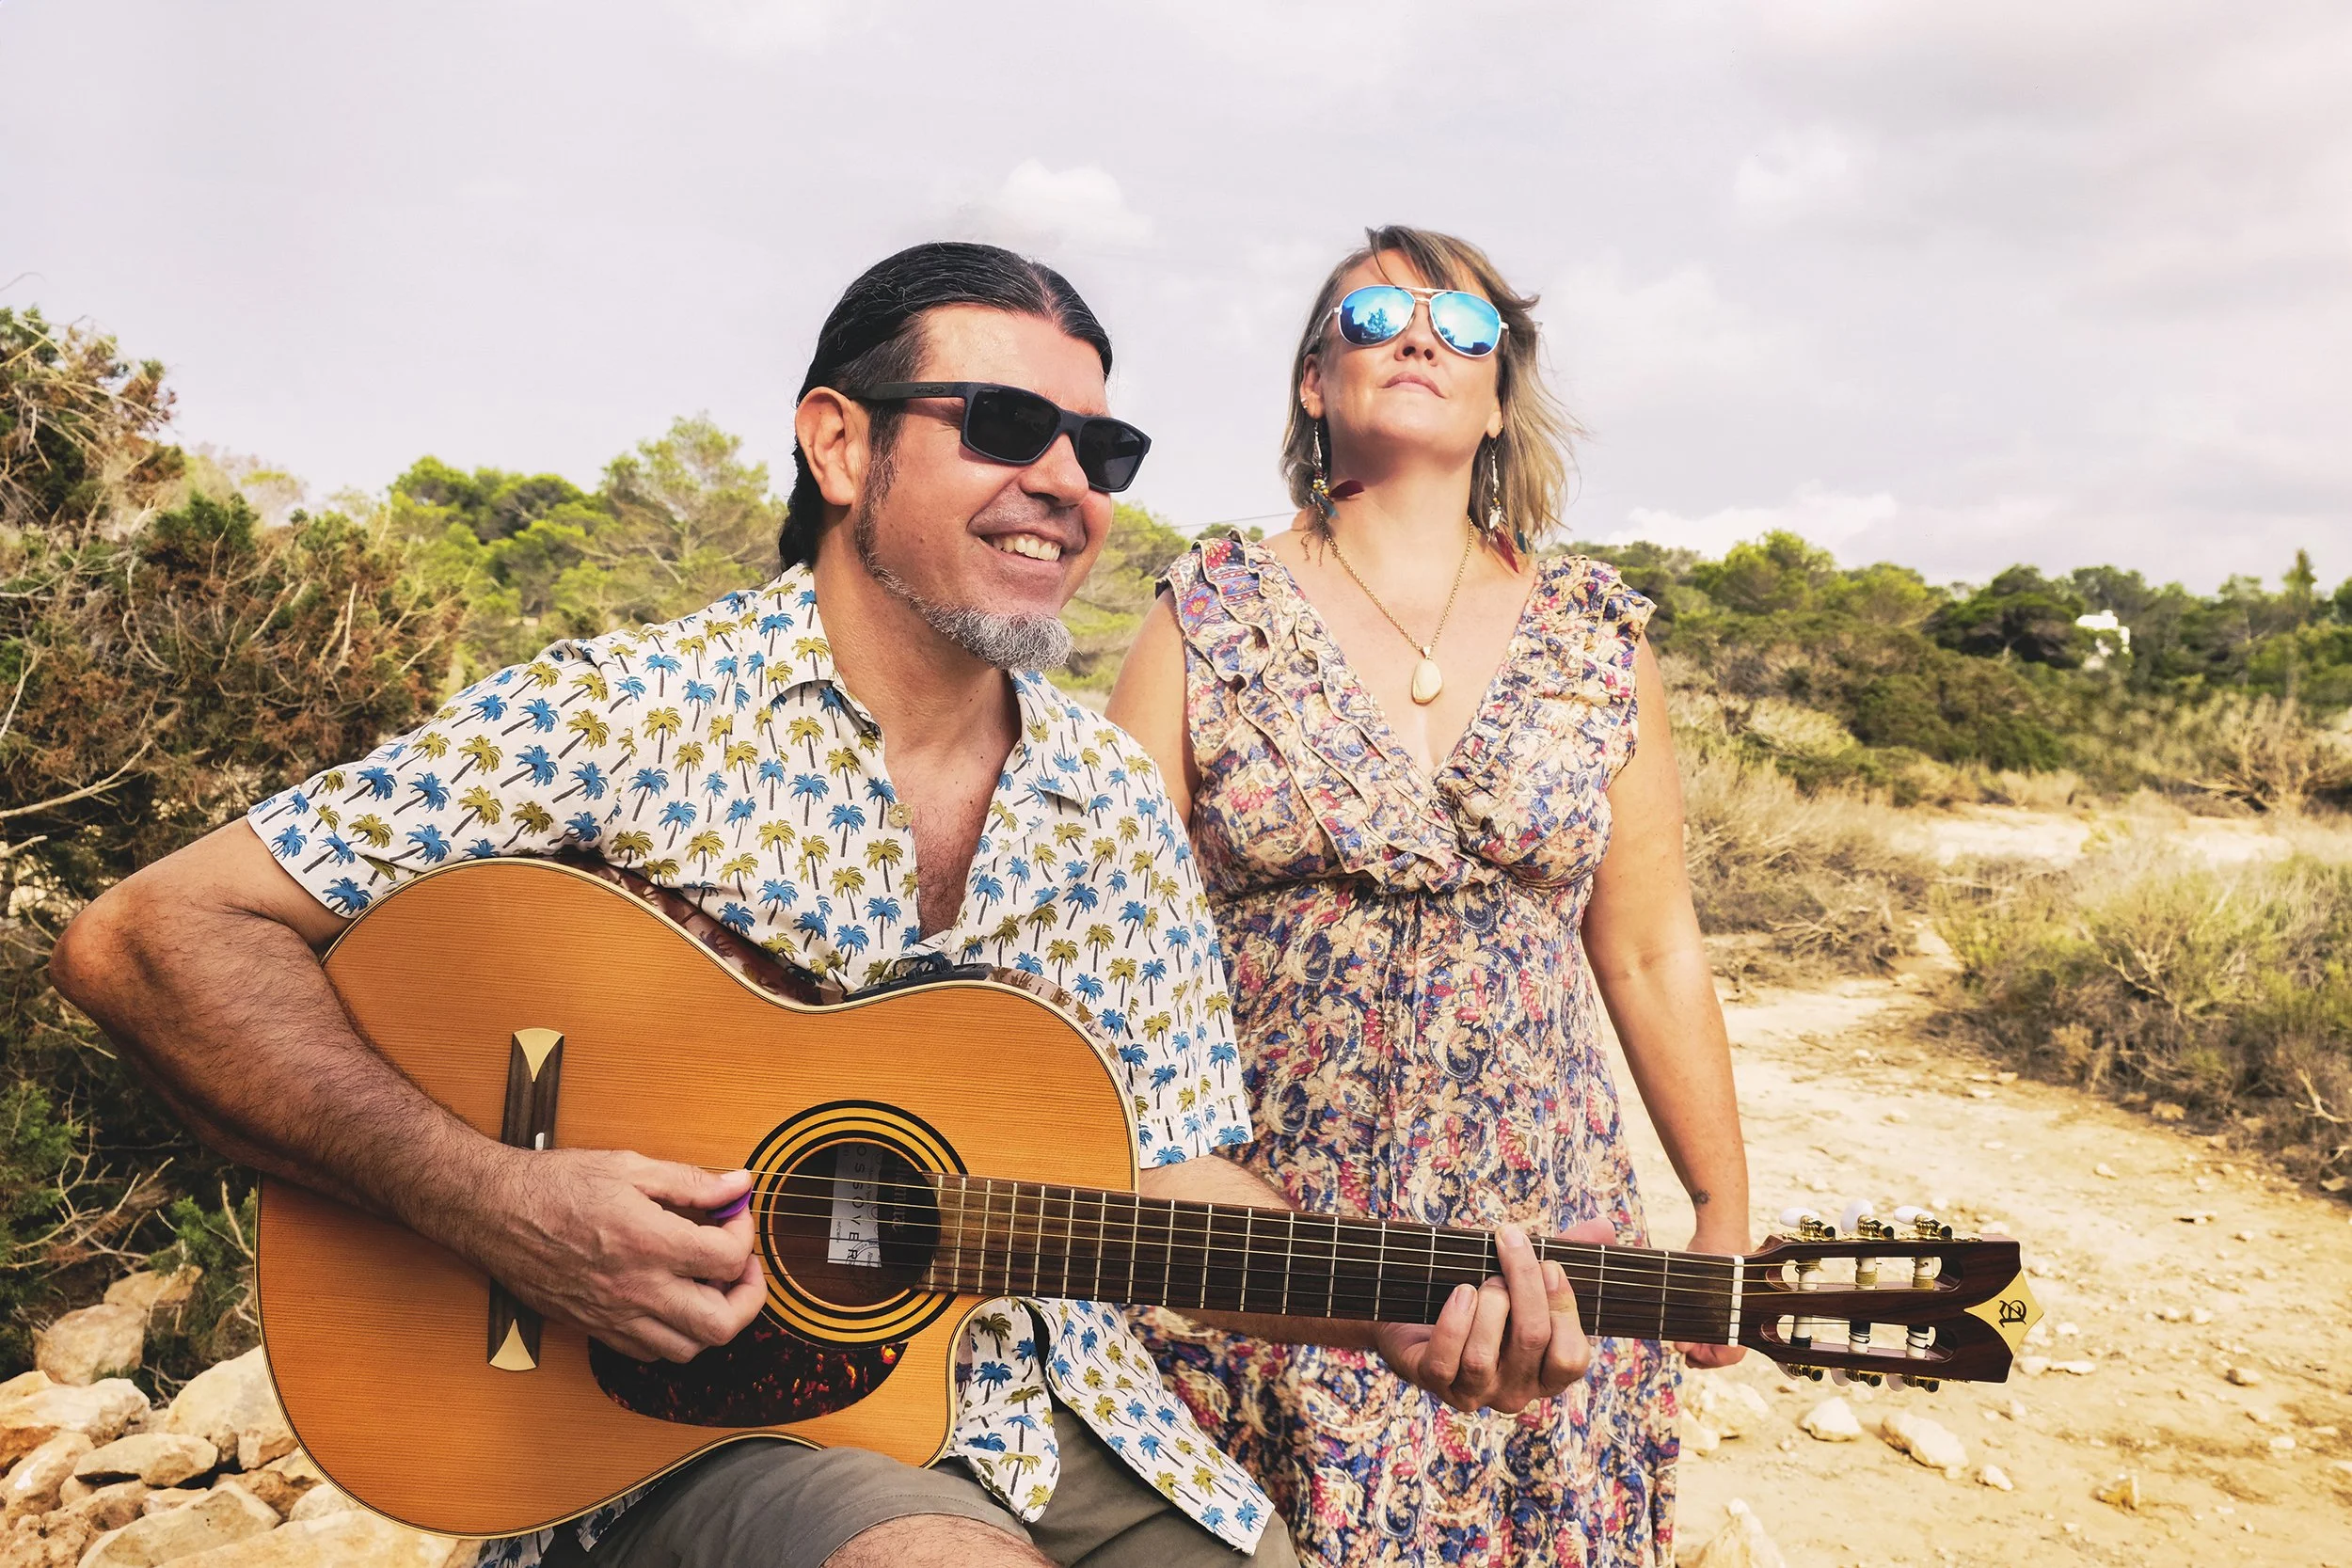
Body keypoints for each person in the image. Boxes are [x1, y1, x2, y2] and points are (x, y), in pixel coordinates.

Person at [51, 241, 1601, 1568]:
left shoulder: (1115, 803)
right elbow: (148, 936)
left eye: (1101, 450)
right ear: (840, 445)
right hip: (673, 1436)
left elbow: (1171, 1166)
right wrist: (495, 1200)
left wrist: (1394, 1308)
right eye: (1006, 425)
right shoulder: (625, 714)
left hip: (1052, 1417)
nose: (1065, 484)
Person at [1106, 226, 1752, 1566]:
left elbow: (1648, 949)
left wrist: (1721, 1206)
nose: (1418, 336)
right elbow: (1111, 938)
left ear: (1500, 397)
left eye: (1463, 326)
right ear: (1313, 381)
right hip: (1266, 1234)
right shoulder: (1203, 614)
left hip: (1541, 1242)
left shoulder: (1597, 639)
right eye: (1376, 315)